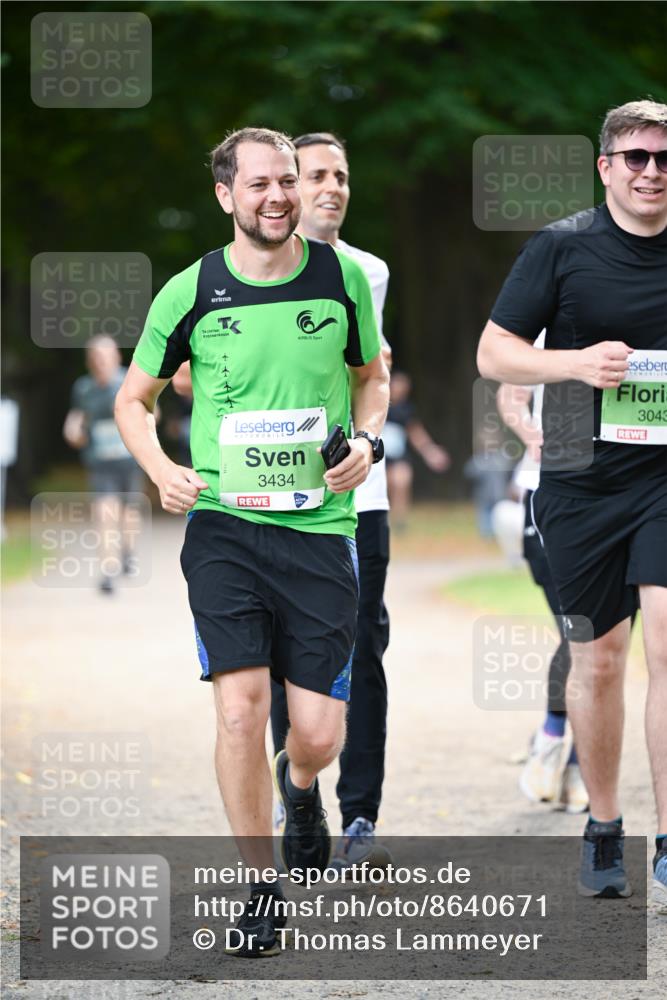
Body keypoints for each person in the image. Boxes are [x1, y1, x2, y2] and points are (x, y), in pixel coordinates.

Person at [114, 127, 389, 955]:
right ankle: (259, 887)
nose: (278, 197)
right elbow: (133, 398)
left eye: (286, 182)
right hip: (225, 528)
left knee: (318, 734)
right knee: (239, 711)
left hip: (319, 530)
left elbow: (371, 377)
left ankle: (298, 783)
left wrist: (368, 441)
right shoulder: (190, 291)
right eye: (259, 184)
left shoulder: (339, 277)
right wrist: (160, 468)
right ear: (225, 195)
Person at [477, 99, 667, 907]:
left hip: (664, 477)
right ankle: (603, 822)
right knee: (599, 657)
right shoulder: (562, 246)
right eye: (635, 157)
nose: (651, 171)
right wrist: (574, 364)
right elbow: (494, 353)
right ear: (604, 167)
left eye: (663, 158)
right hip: (580, 479)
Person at [268, 131, 392, 872]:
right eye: (316, 174)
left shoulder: (368, 272)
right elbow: (185, 374)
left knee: (362, 648)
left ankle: (362, 814)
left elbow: (372, 370)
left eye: (340, 175)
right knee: (285, 652)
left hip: (358, 494)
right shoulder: (245, 272)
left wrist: (366, 430)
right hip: (275, 494)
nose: (331, 187)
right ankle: (298, 799)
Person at [496, 358, 589, 815]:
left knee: (606, 638)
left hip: (625, 495)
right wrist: (534, 436)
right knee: (580, 631)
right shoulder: (549, 326)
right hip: (549, 492)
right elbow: (509, 394)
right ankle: (553, 738)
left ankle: (577, 763)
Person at [63, 335, 143, 594]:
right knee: (105, 514)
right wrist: (73, 431)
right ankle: (108, 571)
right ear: (90, 362)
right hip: (100, 463)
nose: (102, 363)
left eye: (106, 357)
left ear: (116, 358)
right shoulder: (83, 388)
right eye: (96, 358)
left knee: (129, 513)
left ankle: (128, 553)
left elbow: (153, 411)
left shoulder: (130, 381)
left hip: (129, 460)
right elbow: (76, 417)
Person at [384, 370, 450, 531]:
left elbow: (416, 434)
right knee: (385, 486)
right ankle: (382, 520)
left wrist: (431, 452)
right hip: (379, 457)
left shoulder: (406, 410)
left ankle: (400, 521)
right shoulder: (377, 404)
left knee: (401, 483)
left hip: (398, 455)